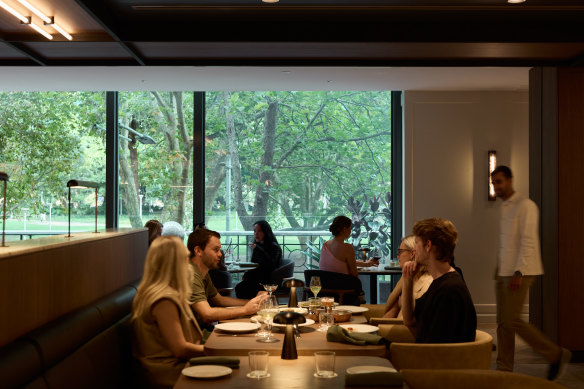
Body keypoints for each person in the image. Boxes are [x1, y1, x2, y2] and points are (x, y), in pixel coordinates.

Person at [491, 165, 571, 380]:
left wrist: (519, 271)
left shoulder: (526, 206)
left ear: (510, 180)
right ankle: (504, 368)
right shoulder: (505, 207)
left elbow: (529, 241)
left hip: (520, 271)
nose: (496, 187)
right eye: (493, 183)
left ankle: (555, 354)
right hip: (503, 271)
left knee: (513, 320)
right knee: (502, 322)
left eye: (499, 182)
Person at [131, 236, 204, 389]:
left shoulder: (157, 293)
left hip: (180, 367)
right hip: (171, 374)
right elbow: (180, 349)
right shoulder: (163, 300)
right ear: (174, 264)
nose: (189, 265)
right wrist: (219, 350)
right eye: (185, 259)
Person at [401, 218, 476, 343]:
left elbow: (437, 348)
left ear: (428, 246)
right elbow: (409, 320)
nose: (414, 249)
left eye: (416, 243)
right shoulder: (439, 282)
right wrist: (408, 280)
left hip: (436, 360)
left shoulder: (449, 290)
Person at [187, 228, 265, 327]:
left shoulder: (202, 272)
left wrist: (253, 303)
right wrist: (245, 309)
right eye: (216, 250)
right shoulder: (191, 274)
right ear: (198, 251)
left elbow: (220, 300)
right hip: (196, 338)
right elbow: (207, 314)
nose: (220, 254)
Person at [382, 235, 433, 319]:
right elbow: (394, 310)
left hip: (402, 331)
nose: (398, 256)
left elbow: (414, 321)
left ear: (412, 253)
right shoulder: (407, 276)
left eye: (400, 251)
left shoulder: (426, 282)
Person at [235, 220, 283, 299]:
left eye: (259, 231)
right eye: (254, 231)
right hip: (257, 278)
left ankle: (250, 308)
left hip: (267, 281)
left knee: (241, 288)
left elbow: (271, 265)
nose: (256, 234)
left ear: (265, 232)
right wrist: (247, 274)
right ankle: (248, 308)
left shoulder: (273, 247)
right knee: (239, 287)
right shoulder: (258, 246)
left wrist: (258, 249)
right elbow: (254, 264)